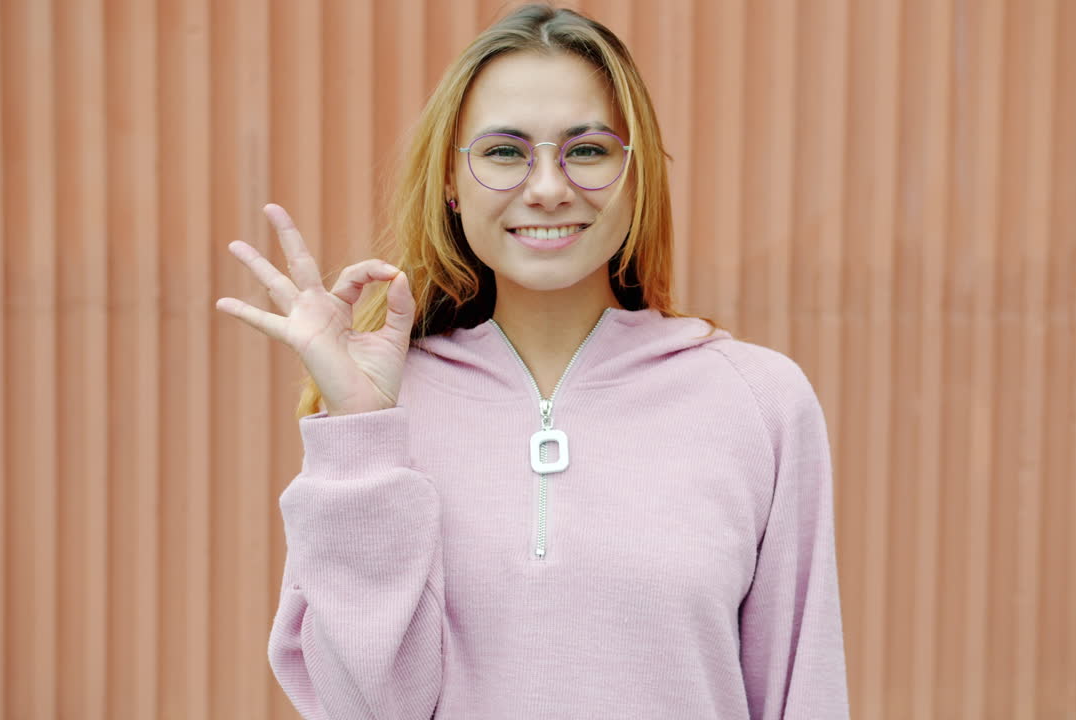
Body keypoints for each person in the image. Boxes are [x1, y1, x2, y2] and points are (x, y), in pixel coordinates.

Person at [215, 4, 848, 718]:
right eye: (504, 152)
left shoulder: (759, 401)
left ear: (636, 176)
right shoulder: (376, 409)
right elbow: (365, 706)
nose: (547, 187)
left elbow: (804, 689)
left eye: (587, 150)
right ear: (451, 183)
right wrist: (360, 431)